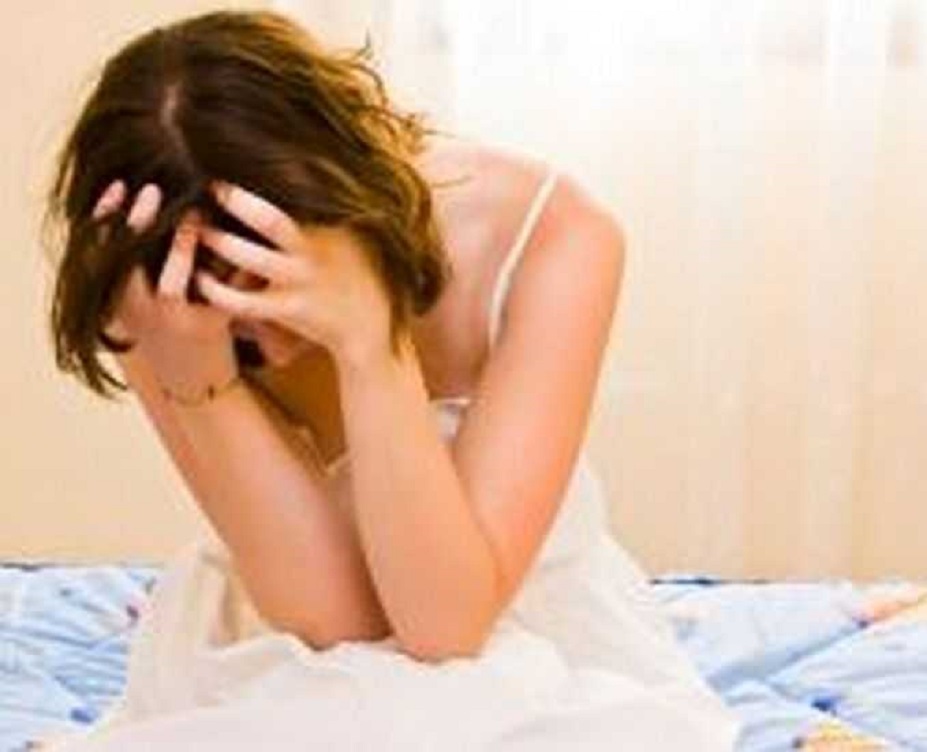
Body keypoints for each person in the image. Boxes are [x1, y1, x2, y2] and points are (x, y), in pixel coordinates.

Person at [41, 9, 739, 750]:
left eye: (267, 286)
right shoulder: (152, 288)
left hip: (513, 616)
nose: (266, 345)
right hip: (288, 627)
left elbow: (445, 626)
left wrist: (369, 344)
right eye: (227, 321)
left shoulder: (552, 234)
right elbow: (334, 621)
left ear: (348, 197)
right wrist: (201, 381)